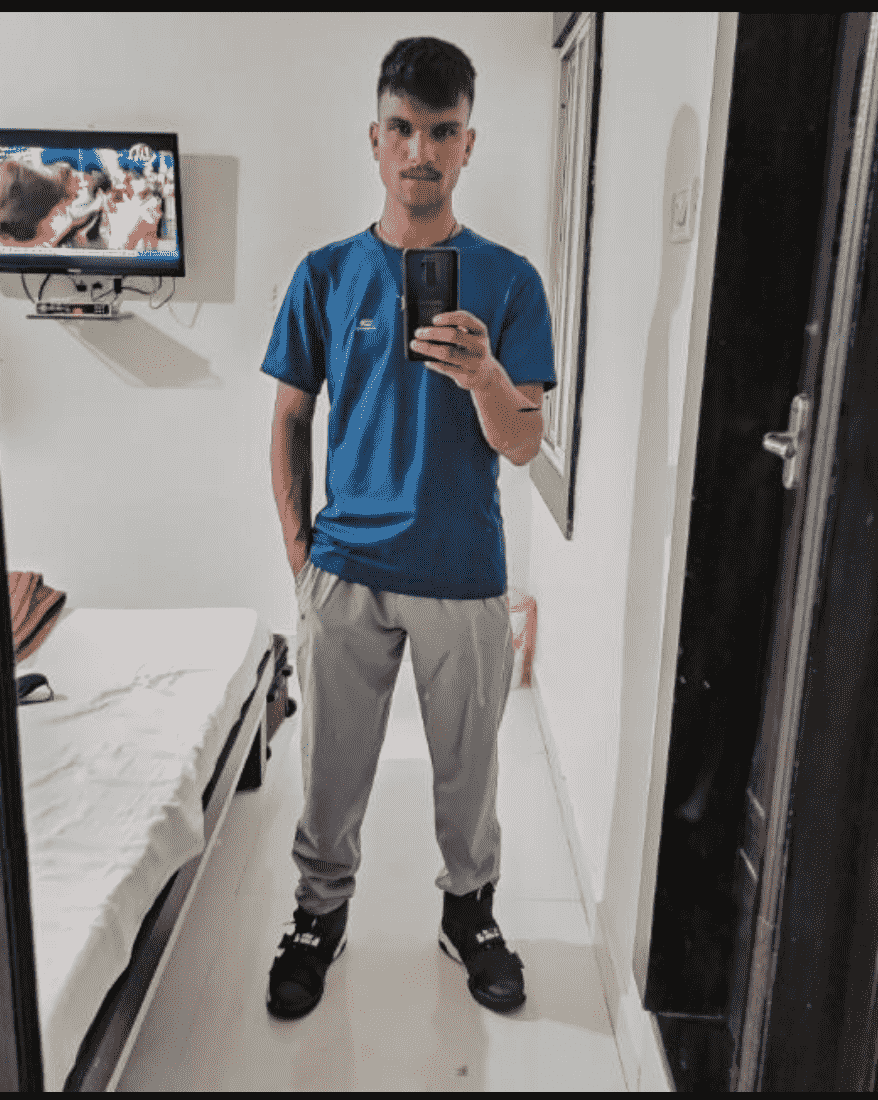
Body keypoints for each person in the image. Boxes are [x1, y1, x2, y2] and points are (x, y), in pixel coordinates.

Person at [260, 36, 556, 1022]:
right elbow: (290, 417)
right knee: (329, 767)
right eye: (402, 129)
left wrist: (484, 375)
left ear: (469, 143)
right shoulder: (325, 273)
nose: (420, 152)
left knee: (470, 773)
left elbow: (523, 443)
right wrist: (301, 555)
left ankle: (470, 912)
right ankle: (318, 914)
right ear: (375, 138)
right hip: (346, 563)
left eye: (441, 131)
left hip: (463, 567)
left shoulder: (509, 281)